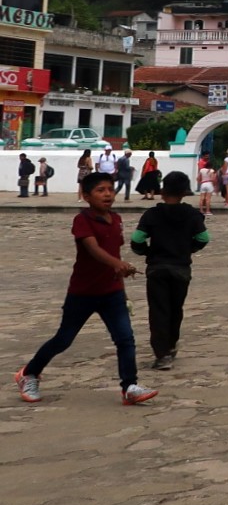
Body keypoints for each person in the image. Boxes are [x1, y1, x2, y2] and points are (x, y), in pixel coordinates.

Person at [15, 172, 157, 406]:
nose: (108, 194)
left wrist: (122, 288)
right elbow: (93, 249)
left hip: (111, 292)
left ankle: (129, 386)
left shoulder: (117, 219)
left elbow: (115, 253)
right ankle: (29, 374)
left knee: (125, 339)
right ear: (86, 195)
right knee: (63, 340)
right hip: (83, 293)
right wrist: (118, 264)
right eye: (101, 190)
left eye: (110, 189)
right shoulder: (82, 221)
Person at [128, 170, 209, 370]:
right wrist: (187, 249)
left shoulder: (152, 214)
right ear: (184, 194)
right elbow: (203, 239)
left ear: (162, 192)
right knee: (176, 309)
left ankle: (162, 354)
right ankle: (172, 345)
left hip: (157, 269)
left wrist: (147, 252)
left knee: (158, 311)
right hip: (181, 269)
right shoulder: (192, 215)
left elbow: (137, 240)